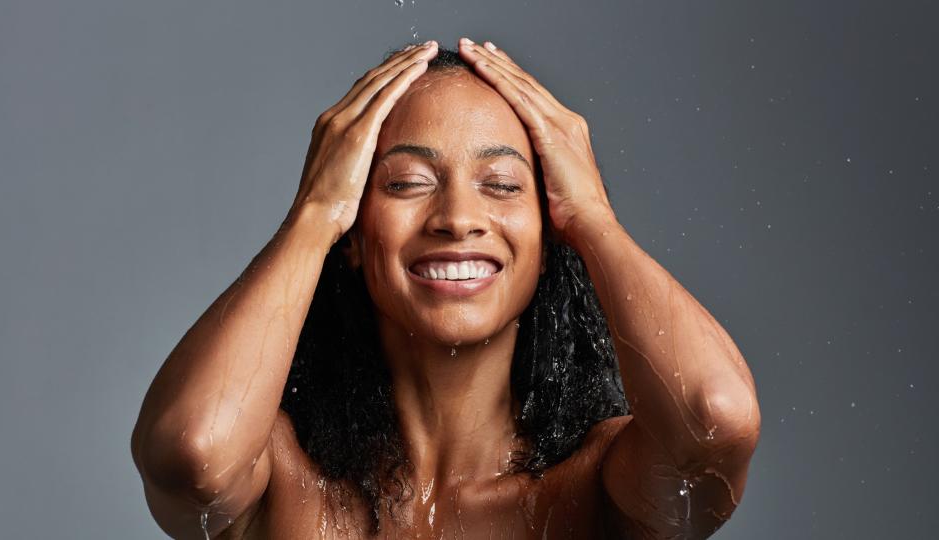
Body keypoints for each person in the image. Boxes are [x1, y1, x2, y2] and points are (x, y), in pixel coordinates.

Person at [131, 37, 761, 539]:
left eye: (503, 185)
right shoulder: (288, 487)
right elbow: (193, 450)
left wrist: (595, 220)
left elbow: (715, 419)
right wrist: (314, 215)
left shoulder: (596, 489)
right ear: (354, 230)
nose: (458, 217)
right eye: (407, 182)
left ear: (550, 240)